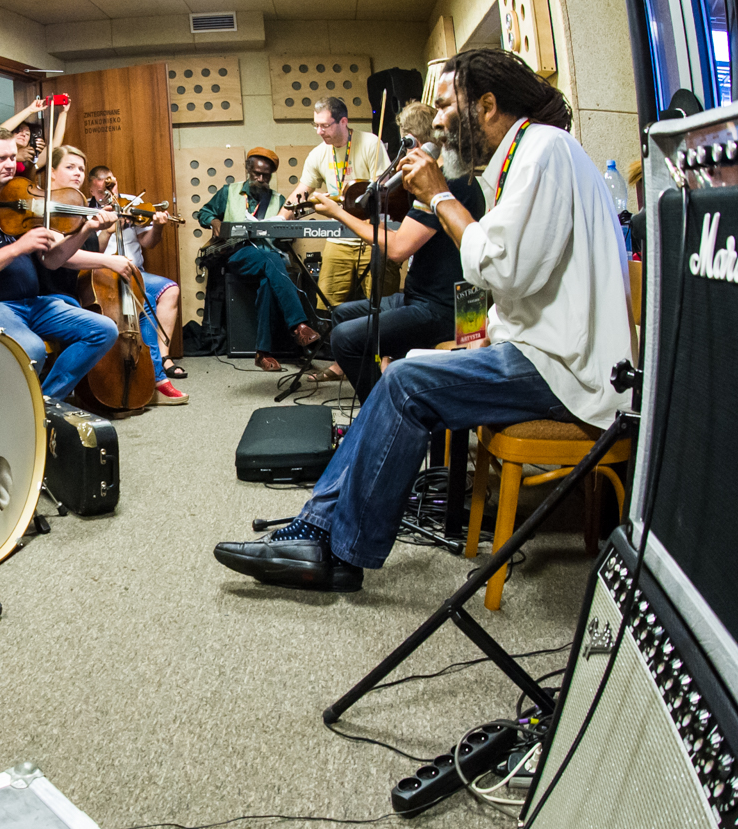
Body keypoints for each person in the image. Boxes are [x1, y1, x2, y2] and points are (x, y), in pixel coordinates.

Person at [213, 49, 635, 591]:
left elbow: (500, 269)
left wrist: (437, 195)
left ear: (486, 105)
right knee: (402, 370)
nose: (435, 121)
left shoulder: (544, 150)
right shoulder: (526, 154)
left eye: (443, 106)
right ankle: (316, 527)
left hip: (565, 373)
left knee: (406, 381)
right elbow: (530, 283)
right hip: (541, 352)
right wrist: (482, 339)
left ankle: (337, 551)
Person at [310, 96, 485, 399]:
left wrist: (339, 212)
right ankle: (384, 388)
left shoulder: (443, 184)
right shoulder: (445, 179)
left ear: (414, 143)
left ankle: (383, 408)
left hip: (442, 308)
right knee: (341, 315)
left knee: (344, 338)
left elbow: (397, 249)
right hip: (420, 296)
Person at [0, 127, 118, 402]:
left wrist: (84, 229)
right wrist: (15, 249)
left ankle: (44, 404)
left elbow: (52, 261)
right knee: (32, 348)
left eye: (13, 157)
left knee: (103, 330)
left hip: (35, 303)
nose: (11, 165)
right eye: (0, 158)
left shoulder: (24, 200)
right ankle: (28, 413)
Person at [53, 153, 186, 405]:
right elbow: (86, 252)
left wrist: (157, 225)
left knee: (162, 291)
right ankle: (152, 376)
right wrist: (108, 228)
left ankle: (158, 367)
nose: (108, 187)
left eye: (112, 182)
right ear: (92, 186)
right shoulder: (83, 209)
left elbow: (149, 242)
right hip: (98, 273)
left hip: (131, 272)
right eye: (102, 183)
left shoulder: (129, 204)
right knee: (135, 303)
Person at [195, 148, 321, 371]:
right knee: (272, 261)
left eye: (266, 175)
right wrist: (215, 222)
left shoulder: (280, 201)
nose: (261, 179)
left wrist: (285, 229)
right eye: (256, 174)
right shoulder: (229, 192)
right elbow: (204, 213)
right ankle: (299, 325)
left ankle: (262, 353)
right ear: (248, 170)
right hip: (236, 254)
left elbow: (286, 235)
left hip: (267, 257)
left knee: (267, 281)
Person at [287, 97, 391, 309]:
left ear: (343, 122)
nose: (319, 131)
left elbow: (384, 194)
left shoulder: (371, 144)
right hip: (339, 240)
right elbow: (301, 192)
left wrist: (338, 207)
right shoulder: (317, 154)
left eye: (324, 125)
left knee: (382, 307)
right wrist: (279, 219)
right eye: (315, 125)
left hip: (373, 236)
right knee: (326, 304)